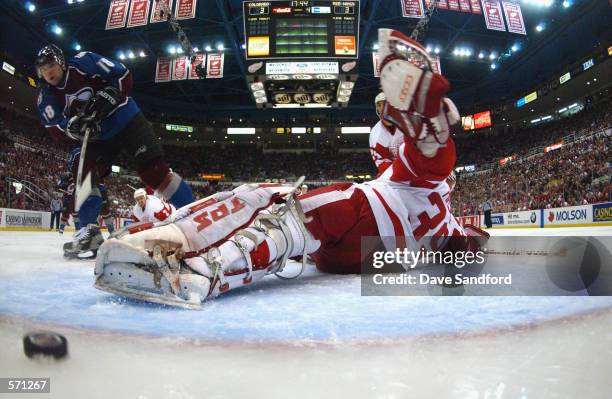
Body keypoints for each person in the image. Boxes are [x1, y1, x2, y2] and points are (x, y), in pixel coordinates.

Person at [94, 29, 488, 307]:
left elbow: (431, 154)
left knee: (273, 201)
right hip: (365, 262)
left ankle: (192, 259)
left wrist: (425, 117)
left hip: (362, 219)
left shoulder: (417, 173)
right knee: (294, 224)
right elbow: (469, 243)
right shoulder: (447, 217)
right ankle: (193, 251)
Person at [35, 44, 193, 255]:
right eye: (44, 69)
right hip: (95, 135)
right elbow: (55, 129)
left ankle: (194, 214)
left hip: (124, 118)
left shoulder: (84, 61)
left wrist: (110, 93)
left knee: (154, 172)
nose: (49, 72)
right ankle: (88, 232)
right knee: (85, 178)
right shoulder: (46, 97)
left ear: (61, 63)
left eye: (52, 65)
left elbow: (123, 74)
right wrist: (72, 127)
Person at [369, 92, 404, 176]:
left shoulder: (410, 124)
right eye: (380, 105)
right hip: (397, 175)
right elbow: (383, 165)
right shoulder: (376, 134)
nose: (384, 108)